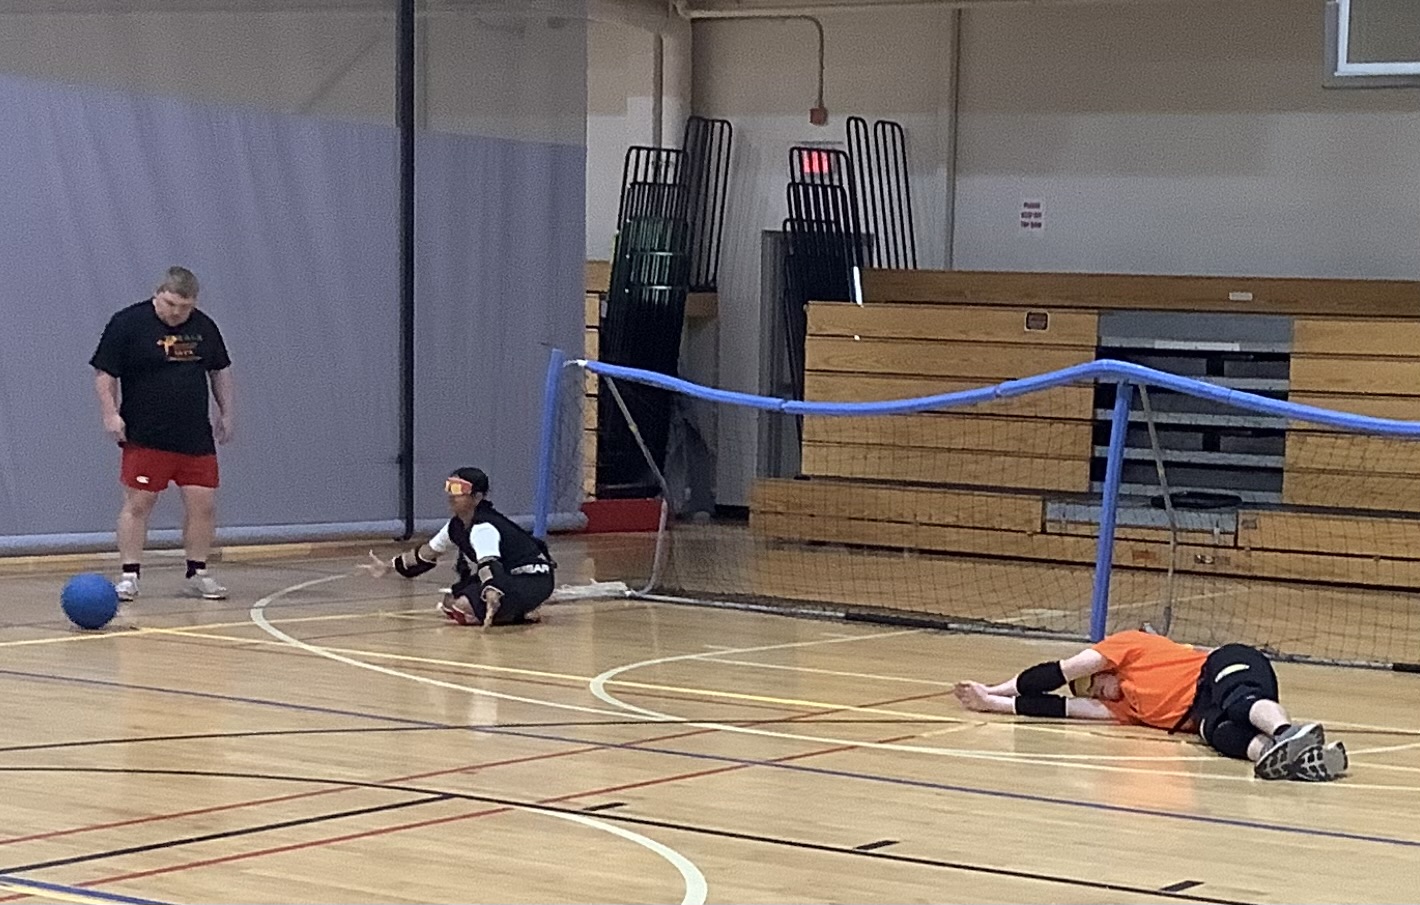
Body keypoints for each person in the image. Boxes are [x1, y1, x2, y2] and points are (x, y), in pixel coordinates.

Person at [952, 629, 1348, 781]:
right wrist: (993, 706)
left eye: (1096, 683)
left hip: (1218, 667)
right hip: (1197, 715)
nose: (1097, 693)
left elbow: (1059, 671)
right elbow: (1058, 708)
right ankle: (1297, 763)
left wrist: (997, 689)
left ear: (1104, 667)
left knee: (1239, 700)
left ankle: (1286, 733)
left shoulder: (1127, 647)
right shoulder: (1122, 710)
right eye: (1089, 692)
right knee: (1222, 734)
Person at [90, 266, 233, 602]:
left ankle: (197, 572)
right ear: (158, 294)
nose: (176, 312)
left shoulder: (204, 327)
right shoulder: (127, 323)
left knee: (204, 504)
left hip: (195, 436)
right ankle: (129, 575)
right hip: (146, 434)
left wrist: (227, 412)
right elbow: (105, 372)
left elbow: (220, 370)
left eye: (185, 307)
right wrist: (110, 413)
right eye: (170, 304)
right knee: (138, 503)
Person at [359, 467, 555, 627]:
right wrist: (389, 566)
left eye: (459, 491)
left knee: (462, 607)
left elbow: (489, 565)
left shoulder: (483, 527)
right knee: (449, 602)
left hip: (532, 580)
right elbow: (427, 552)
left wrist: (492, 592)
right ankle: (515, 610)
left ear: (477, 497)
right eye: (450, 488)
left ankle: (521, 612)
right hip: (510, 575)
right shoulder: (456, 526)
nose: (452, 496)